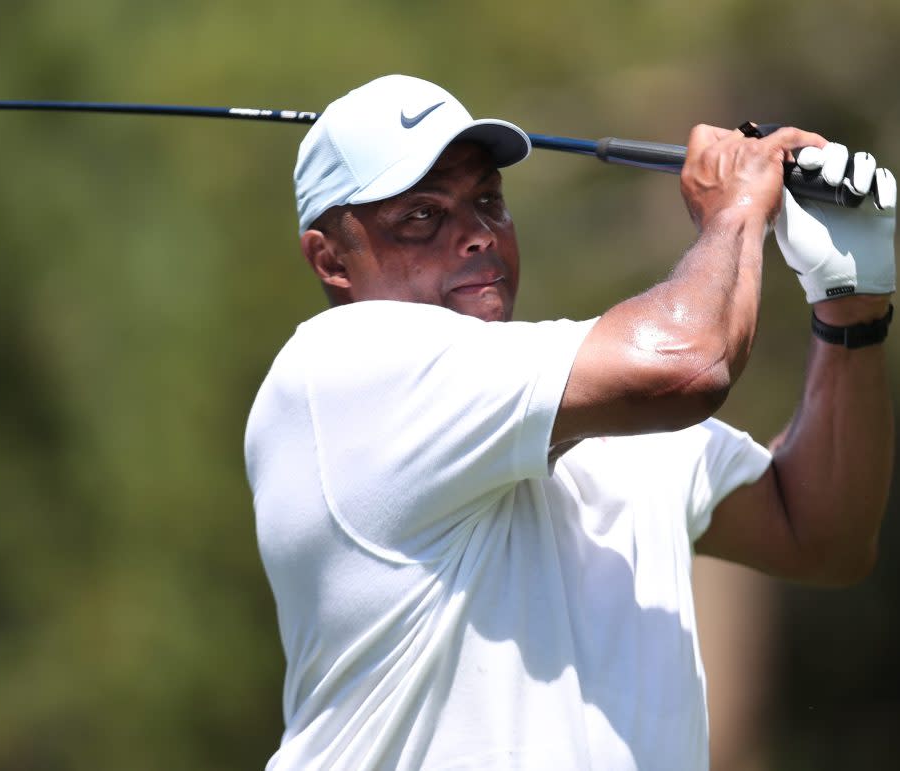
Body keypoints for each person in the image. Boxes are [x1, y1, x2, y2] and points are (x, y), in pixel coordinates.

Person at [243, 74, 896, 770]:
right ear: (330, 260)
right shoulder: (340, 368)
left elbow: (821, 536)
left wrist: (846, 305)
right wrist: (734, 208)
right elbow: (687, 363)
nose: (474, 235)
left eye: (487, 201)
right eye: (422, 217)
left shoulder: (585, 396)